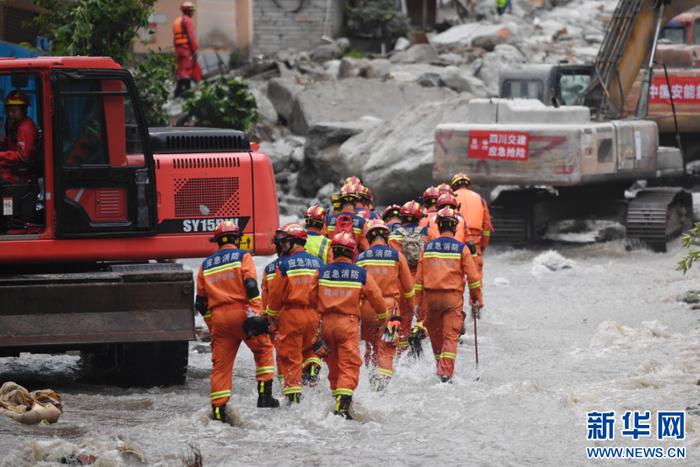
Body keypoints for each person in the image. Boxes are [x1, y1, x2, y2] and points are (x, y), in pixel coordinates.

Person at [195, 221, 279, 423]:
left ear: (218, 241)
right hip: (242, 312)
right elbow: (250, 285)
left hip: (219, 319)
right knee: (263, 350)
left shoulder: (205, 265)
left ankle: (218, 410)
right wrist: (256, 313)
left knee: (221, 366)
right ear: (236, 238)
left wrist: (211, 324)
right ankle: (264, 397)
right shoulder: (243, 256)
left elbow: (200, 302)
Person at [310, 232, 388, 419]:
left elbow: (310, 299)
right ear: (352, 251)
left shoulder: (320, 272)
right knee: (349, 365)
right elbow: (376, 298)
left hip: (326, 324)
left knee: (334, 364)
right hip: (348, 324)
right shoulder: (360, 274)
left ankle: (337, 397)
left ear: (333, 251)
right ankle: (343, 408)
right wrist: (384, 318)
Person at [414, 207, 483, 383]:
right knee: (450, 336)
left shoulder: (427, 247)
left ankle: (439, 366)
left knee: (436, 334)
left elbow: (419, 280)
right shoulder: (461, 249)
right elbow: (473, 278)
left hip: (431, 299)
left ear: (437, 226)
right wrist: (476, 299)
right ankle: (445, 374)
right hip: (452, 299)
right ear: (454, 228)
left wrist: (416, 304)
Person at [265, 223, 324, 402]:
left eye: (284, 242)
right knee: (310, 347)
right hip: (314, 315)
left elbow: (275, 296)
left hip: (291, 316)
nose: (281, 246)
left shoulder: (283, 265)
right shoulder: (319, 263)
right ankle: (313, 365)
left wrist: (271, 317)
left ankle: (294, 400)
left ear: (295, 242)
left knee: (291, 358)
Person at [356, 220, 415, 390]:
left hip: (367, 309)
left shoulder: (360, 258)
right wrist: (411, 309)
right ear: (386, 237)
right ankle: (381, 389)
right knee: (388, 348)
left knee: (370, 347)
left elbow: (355, 289)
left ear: (369, 238)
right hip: (392, 311)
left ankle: (368, 384)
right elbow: (409, 288)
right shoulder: (396, 256)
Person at [451, 173, 493, 276]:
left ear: (454, 185)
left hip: (456, 238)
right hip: (475, 242)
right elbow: (486, 225)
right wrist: (483, 245)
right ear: (468, 184)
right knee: (475, 276)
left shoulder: (450, 198)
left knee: (454, 274)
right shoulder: (479, 198)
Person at [0, 91, 38, 185]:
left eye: (13, 110)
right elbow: (8, 144)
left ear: (23, 110)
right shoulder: (15, 125)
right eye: (8, 110)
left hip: (21, 171)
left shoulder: (25, 128)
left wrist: (1, 155)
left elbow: (22, 156)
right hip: (13, 165)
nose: (10, 114)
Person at [324, 183, 369, 253]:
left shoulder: (329, 219)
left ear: (341, 203)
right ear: (355, 203)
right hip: (352, 259)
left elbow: (324, 242)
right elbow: (365, 246)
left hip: (332, 259)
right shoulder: (362, 222)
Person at [173, 1, 200, 98]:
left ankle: (178, 92)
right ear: (188, 11)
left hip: (178, 49)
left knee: (180, 70)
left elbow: (175, 39)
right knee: (187, 70)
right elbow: (191, 36)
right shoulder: (188, 21)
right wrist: (194, 50)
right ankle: (186, 93)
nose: (192, 13)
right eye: (191, 11)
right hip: (186, 49)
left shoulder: (177, 21)